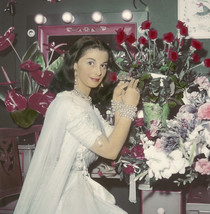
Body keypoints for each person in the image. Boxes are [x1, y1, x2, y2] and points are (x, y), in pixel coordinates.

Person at [14, 36, 140, 214]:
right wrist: (129, 109)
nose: (98, 71)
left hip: (80, 187)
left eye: (103, 65)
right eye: (91, 63)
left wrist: (118, 104)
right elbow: (111, 151)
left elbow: (114, 139)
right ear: (75, 64)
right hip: (66, 194)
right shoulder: (68, 105)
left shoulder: (86, 104)